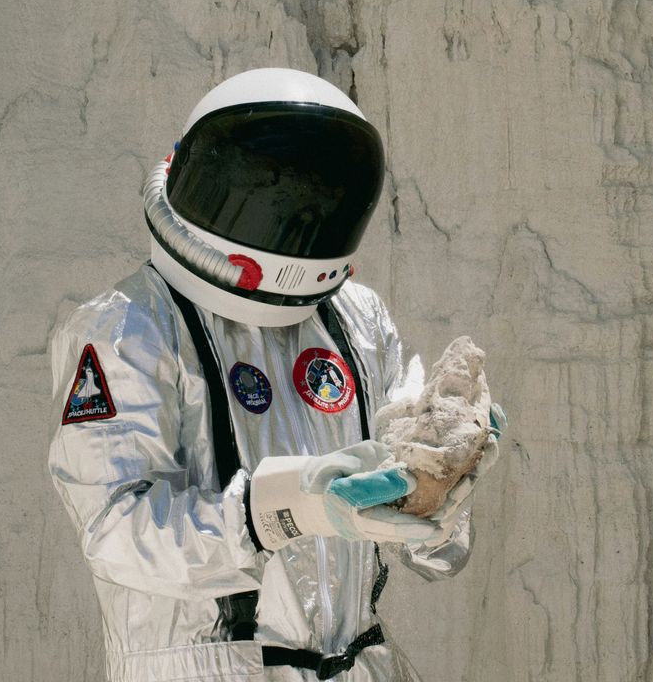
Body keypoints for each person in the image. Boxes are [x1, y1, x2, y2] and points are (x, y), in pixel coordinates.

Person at [47, 68, 502, 681]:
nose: (289, 222)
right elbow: (117, 535)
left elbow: (428, 544)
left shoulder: (356, 318)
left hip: (359, 665)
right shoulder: (129, 329)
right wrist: (281, 510)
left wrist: (436, 495)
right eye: (270, 202)